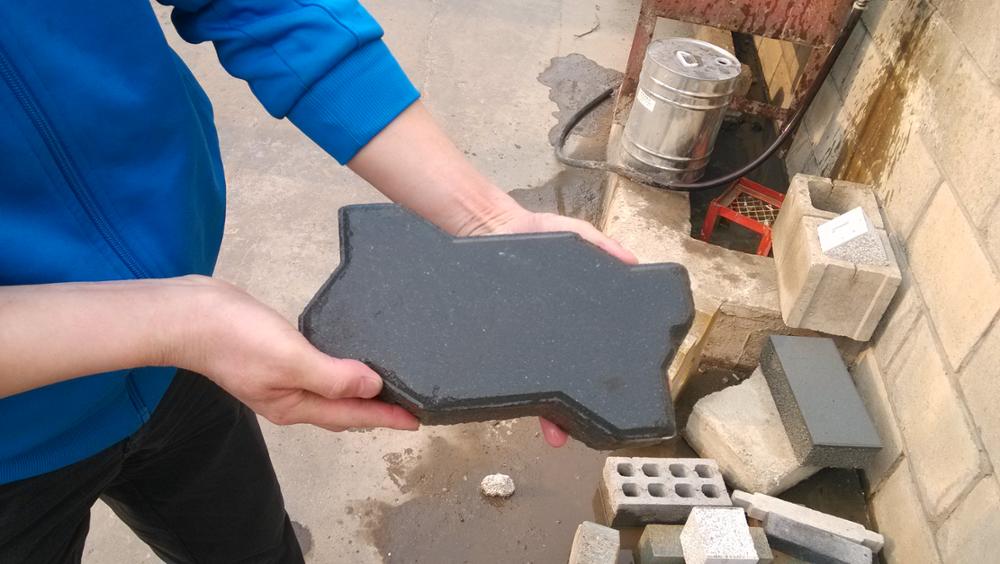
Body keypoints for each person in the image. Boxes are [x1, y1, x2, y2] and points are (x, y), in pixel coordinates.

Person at [0, 1, 636, 562]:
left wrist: (488, 220)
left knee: (253, 546)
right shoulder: (189, 323)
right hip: (16, 444)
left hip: (181, 372)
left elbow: (269, 6)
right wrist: (179, 323)